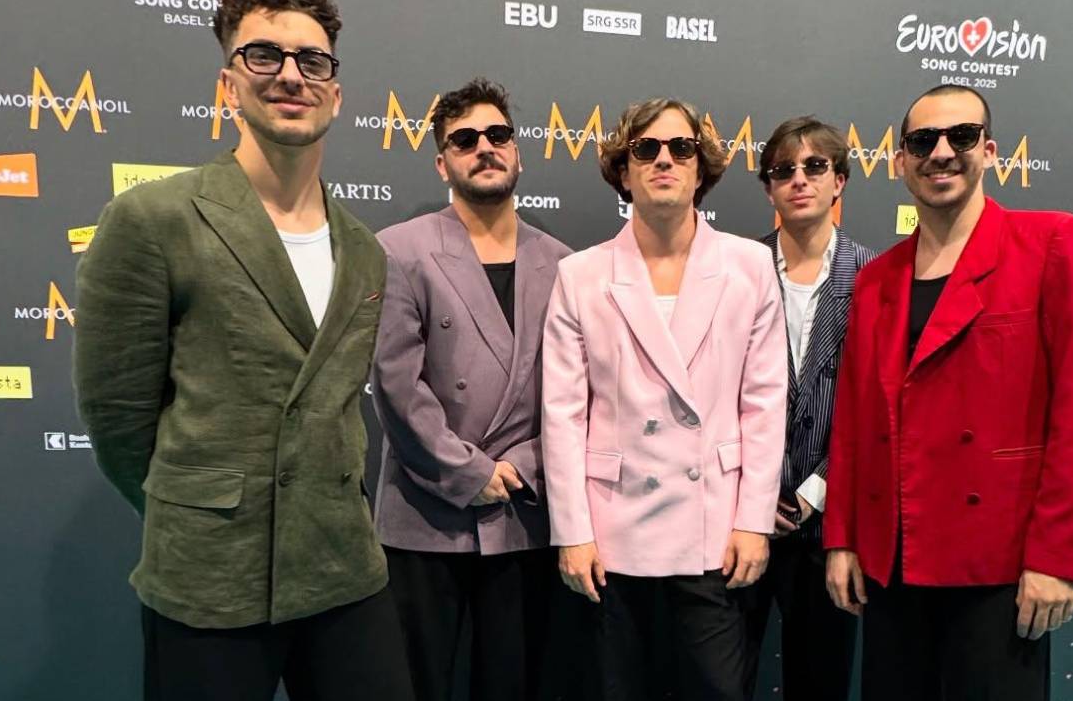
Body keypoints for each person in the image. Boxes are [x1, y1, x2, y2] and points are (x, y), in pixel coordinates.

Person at [73, 0, 411, 701]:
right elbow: (118, 419)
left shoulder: (364, 249)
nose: (290, 75)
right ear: (228, 85)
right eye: (264, 56)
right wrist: (200, 507)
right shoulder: (153, 219)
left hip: (343, 567)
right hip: (208, 576)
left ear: (335, 94)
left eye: (311, 60)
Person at [823, 85, 1073, 700]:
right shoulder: (877, 279)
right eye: (922, 141)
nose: (941, 153)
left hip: (998, 562)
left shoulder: (1050, 244)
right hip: (892, 559)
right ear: (900, 161)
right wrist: (843, 537)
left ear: (989, 150)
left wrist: (1057, 557)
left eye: (960, 136)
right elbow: (853, 422)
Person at [542, 97, 787, 700]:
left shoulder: (751, 266)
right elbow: (563, 416)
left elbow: (763, 405)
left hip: (715, 535)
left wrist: (754, 522)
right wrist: (572, 532)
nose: (664, 160)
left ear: (701, 169)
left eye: (681, 148)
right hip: (611, 538)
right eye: (645, 149)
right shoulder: (581, 275)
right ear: (623, 172)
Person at [371, 77, 572, 701]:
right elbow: (396, 387)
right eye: (464, 140)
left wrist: (521, 467)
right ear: (442, 163)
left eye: (498, 135)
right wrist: (470, 473)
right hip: (424, 517)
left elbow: (578, 396)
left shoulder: (565, 264)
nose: (484, 147)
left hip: (524, 513)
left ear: (518, 152)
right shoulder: (400, 251)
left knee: (514, 686)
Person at [743, 117, 875, 699]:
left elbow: (874, 412)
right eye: (784, 170)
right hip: (740, 521)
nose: (799, 179)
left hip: (831, 527)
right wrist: (756, 491)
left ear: (839, 180)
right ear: (768, 188)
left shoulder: (874, 276)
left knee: (821, 684)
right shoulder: (736, 269)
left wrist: (813, 493)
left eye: (815, 166)